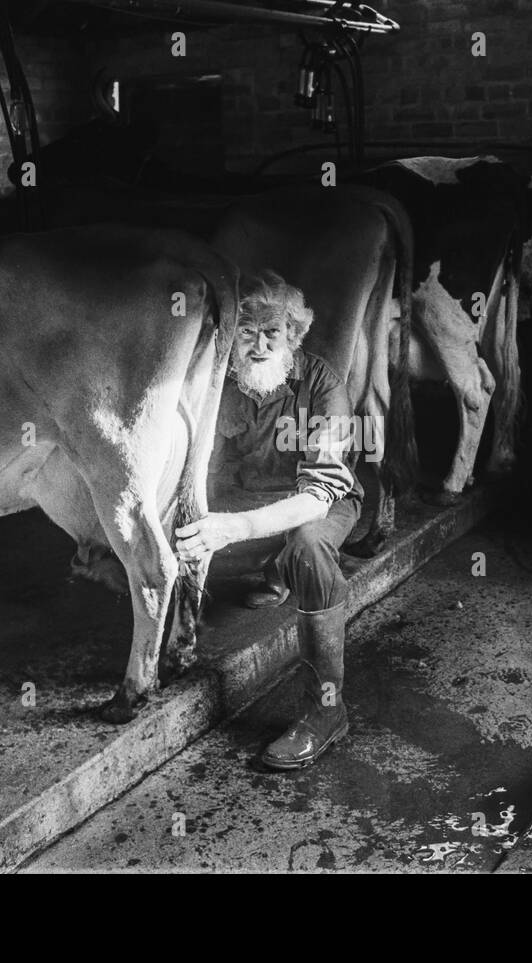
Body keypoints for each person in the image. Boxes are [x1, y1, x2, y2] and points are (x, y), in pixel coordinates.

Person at [174, 270, 363, 769]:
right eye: (245, 330)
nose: (257, 344)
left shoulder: (323, 382)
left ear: (293, 336)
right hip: (245, 500)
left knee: (307, 546)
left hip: (315, 501)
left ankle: (327, 711)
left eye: (271, 332)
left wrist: (230, 530)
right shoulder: (218, 381)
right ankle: (271, 569)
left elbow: (320, 495)